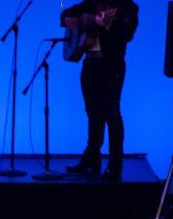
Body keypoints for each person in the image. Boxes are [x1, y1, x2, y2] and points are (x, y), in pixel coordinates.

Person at [60, 0, 139, 182]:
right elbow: (65, 14)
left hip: (112, 66)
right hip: (90, 64)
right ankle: (91, 158)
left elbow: (127, 34)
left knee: (111, 113)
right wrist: (74, 20)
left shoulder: (127, 7)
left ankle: (115, 165)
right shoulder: (90, 3)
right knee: (92, 113)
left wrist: (107, 24)